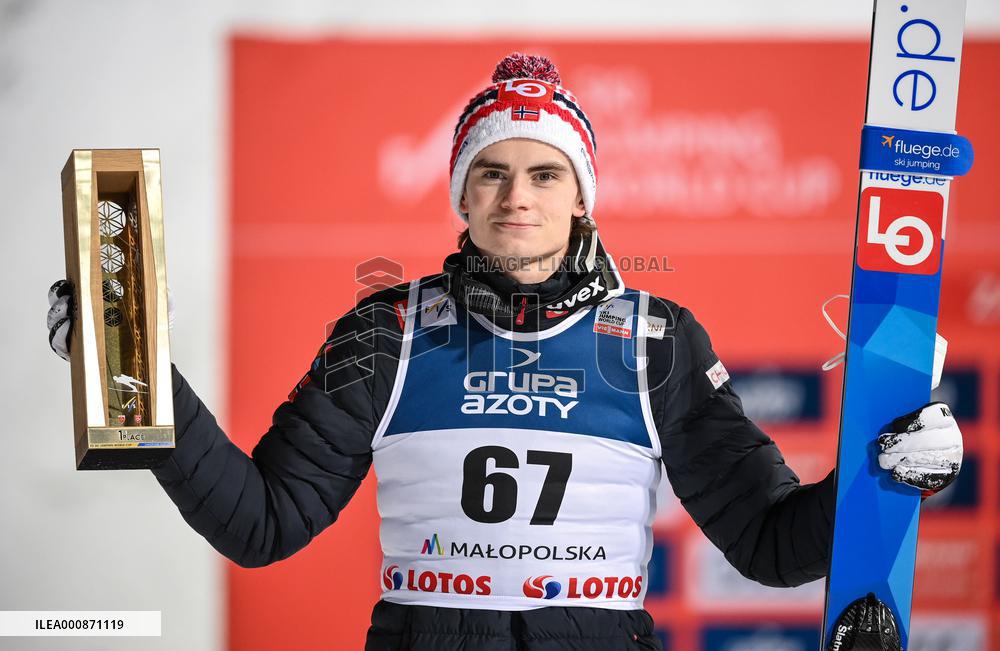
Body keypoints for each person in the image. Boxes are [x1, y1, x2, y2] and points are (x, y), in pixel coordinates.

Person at [47, 53, 963, 650]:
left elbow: (767, 542)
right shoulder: (385, 333)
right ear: (462, 194)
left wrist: (881, 476)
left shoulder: (657, 342)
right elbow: (262, 523)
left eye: (544, 173)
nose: (516, 196)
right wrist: (136, 378)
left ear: (581, 196)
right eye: (491, 172)